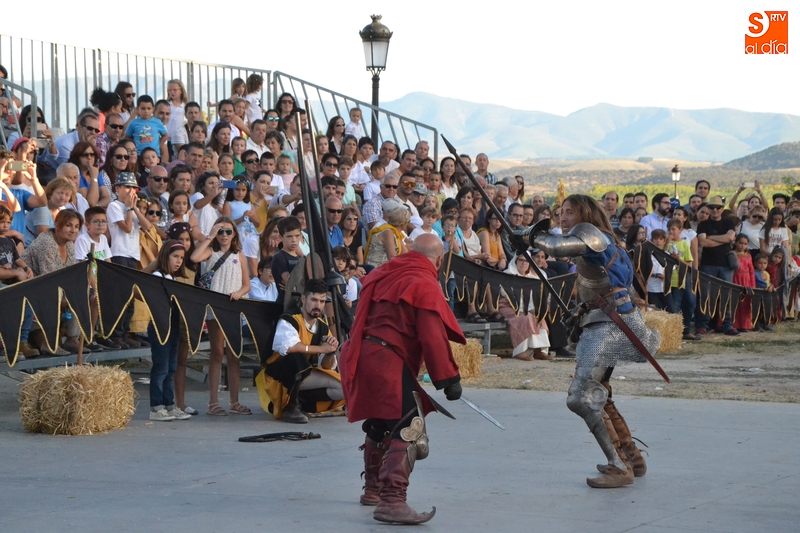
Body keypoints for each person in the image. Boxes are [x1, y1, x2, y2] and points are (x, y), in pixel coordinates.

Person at [527, 193, 660, 488]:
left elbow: (556, 247)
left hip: (608, 325)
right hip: (611, 320)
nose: (563, 218)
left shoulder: (590, 234)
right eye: (561, 212)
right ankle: (633, 459)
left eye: (569, 212)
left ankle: (619, 467)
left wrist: (529, 235)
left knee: (580, 397)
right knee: (601, 393)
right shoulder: (606, 241)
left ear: (585, 215)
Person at [339, 234, 464, 524]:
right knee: (411, 427)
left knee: (382, 422)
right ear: (440, 260)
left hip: (359, 353)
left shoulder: (383, 273)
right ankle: (392, 500)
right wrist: (449, 378)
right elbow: (432, 336)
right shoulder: (423, 282)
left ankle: (373, 489)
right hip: (385, 359)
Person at [256, 278, 345, 424]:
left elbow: (326, 366)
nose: (318, 305)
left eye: (322, 301)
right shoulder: (289, 320)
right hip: (278, 378)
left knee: (344, 388)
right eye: (314, 300)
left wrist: (330, 352)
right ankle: (290, 408)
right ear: (304, 299)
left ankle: (301, 403)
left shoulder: (323, 327)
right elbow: (290, 347)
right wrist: (321, 348)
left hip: (303, 376)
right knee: (295, 357)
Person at [190, 217, 251, 416]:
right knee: (217, 352)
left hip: (233, 307)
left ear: (234, 234)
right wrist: (210, 236)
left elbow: (247, 284)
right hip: (215, 306)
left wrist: (239, 293)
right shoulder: (211, 252)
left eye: (228, 231)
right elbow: (194, 257)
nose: (224, 235)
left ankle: (234, 401)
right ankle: (213, 402)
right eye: (221, 231)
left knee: (234, 354)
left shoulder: (239, 255)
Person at [22, 210, 85, 355]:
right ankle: (49, 343)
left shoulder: (69, 244)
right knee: (55, 297)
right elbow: (48, 278)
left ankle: (72, 338)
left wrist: (70, 294)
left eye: (76, 226)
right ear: (57, 225)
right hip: (31, 284)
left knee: (80, 294)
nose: (73, 230)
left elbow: (69, 274)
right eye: (69, 225)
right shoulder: (47, 242)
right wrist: (64, 296)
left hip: (50, 284)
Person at [146, 241, 192, 422]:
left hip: (173, 326)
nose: (178, 261)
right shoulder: (157, 276)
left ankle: (169, 405)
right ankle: (156, 407)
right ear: (166, 256)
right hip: (160, 326)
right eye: (175, 257)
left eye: (181, 258)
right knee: (161, 368)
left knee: (171, 368)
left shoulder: (173, 278)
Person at [695, 196, 739, 336]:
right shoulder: (703, 224)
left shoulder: (729, 222)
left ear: (722, 209)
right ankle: (702, 325)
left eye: (718, 207)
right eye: (712, 207)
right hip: (708, 264)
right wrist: (723, 239)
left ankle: (727, 324)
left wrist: (711, 237)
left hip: (725, 265)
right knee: (706, 296)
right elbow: (703, 242)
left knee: (726, 295)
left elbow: (730, 238)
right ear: (708, 208)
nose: (715, 210)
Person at [498, 253, 552, 361]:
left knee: (539, 318)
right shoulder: (508, 275)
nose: (524, 263)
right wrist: (526, 309)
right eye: (521, 260)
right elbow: (508, 295)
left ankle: (538, 350)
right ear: (515, 261)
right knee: (525, 318)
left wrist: (534, 308)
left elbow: (533, 297)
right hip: (509, 306)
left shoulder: (529, 278)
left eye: (526, 261)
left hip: (526, 307)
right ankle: (520, 351)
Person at [125, 95, 168, 161]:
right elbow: (127, 136)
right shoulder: (133, 123)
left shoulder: (158, 122)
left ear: (153, 109)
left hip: (154, 155)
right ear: (137, 109)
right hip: (139, 155)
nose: (146, 111)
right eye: (143, 108)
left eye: (149, 108)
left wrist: (158, 145)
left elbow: (165, 135)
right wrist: (133, 147)